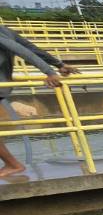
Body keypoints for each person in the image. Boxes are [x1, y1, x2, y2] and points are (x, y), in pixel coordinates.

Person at [0, 23, 78, 177]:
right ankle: (12, 164)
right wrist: (59, 64)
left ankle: (12, 164)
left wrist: (49, 71)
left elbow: (23, 50)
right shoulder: (4, 30)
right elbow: (32, 48)